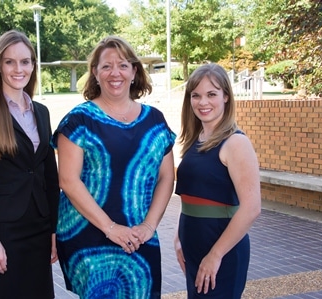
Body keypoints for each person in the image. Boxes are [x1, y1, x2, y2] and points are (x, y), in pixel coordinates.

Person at [51, 36, 176, 299]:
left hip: (140, 235)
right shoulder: (78, 121)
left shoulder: (155, 121)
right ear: (95, 73)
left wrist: (149, 226)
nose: (114, 73)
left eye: (122, 65)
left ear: (134, 71)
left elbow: (167, 177)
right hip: (91, 236)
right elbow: (68, 181)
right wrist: (110, 228)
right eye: (106, 66)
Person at [0, 30, 59, 299]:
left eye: (25, 61)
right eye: (10, 62)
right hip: (3, 230)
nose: (19, 69)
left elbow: (50, 176)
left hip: (39, 227)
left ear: (33, 65)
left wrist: (54, 230)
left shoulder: (41, 111)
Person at [173, 63, 261, 298]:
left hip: (222, 250)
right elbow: (191, 198)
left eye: (211, 94)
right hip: (193, 247)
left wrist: (215, 255)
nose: (203, 102)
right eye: (196, 95)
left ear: (226, 97)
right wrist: (178, 237)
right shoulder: (196, 139)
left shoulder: (236, 143)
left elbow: (251, 208)